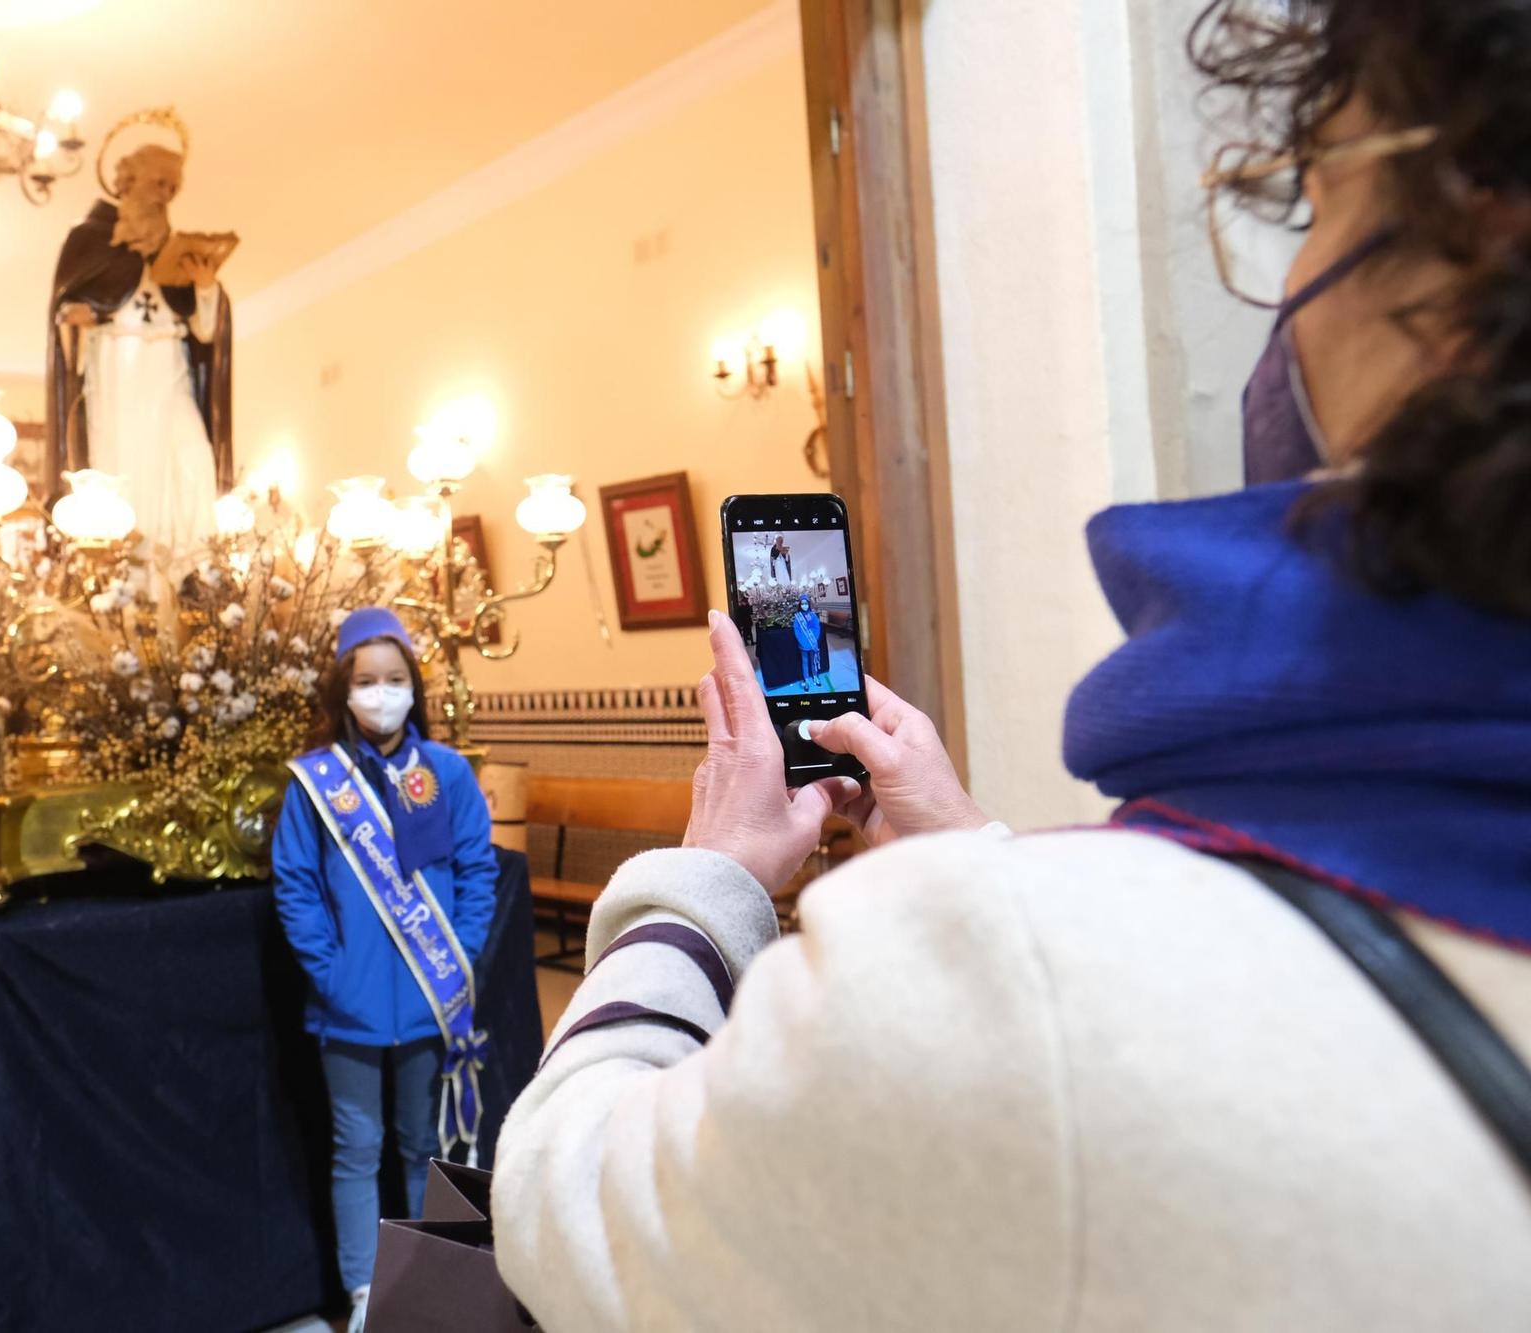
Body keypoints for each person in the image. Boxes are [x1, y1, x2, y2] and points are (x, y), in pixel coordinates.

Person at [492, 3, 1531, 1328]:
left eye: (1314, 194)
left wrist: (702, 884)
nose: (1289, 283)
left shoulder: (1032, 994)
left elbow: (573, 1201)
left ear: (1474, 240)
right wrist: (970, 857)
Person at [270, 607, 497, 1333]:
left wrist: (458, 955)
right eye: (366, 680)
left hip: (434, 999)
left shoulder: (449, 772)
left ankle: (430, 1282)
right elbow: (295, 882)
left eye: (394, 678)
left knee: (424, 1146)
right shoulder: (317, 785)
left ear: (413, 686)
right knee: (356, 1148)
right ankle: (366, 1291)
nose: (381, 692)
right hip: (351, 1005)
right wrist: (332, 972)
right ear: (344, 690)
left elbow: (477, 870)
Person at [45, 140, 234, 565]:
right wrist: (79, 315)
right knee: (130, 471)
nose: (165, 195)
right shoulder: (90, 240)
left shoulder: (176, 250)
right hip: (119, 376)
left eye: (172, 188)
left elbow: (204, 330)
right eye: (158, 184)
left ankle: (191, 566)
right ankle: (139, 567)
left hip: (172, 373)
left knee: (194, 461)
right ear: (129, 183)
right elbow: (65, 312)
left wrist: (204, 286)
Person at [790, 594, 823, 690]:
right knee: (805, 662)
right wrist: (803, 641)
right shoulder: (797, 617)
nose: (805, 605)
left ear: (809, 604)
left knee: (813, 661)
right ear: (800, 605)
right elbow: (797, 631)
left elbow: (817, 627)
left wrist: (814, 639)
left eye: (806, 603)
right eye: (802, 604)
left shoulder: (813, 615)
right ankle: (806, 679)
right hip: (803, 644)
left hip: (813, 643)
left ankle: (815, 676)